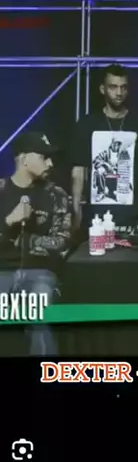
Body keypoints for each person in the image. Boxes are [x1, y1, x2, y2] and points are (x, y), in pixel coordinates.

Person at [0, 132, 71, 355]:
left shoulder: (56, 195)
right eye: (43, 157)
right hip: (2, 271)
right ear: (24, 158)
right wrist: (8, 221)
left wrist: (27, 240)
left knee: (39, 309)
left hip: (39, 272)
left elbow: (61, 242)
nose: (50, 163)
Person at [71, 64, 138, 232]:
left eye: (123, 87)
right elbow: (79, 172)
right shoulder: (87, 125)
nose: (119, 93)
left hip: (131, 215)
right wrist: (76, 210)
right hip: (95, 216)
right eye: (113, 87)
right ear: (103, 89)